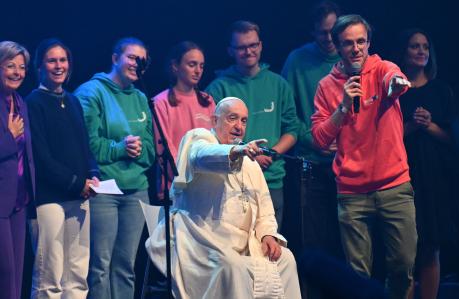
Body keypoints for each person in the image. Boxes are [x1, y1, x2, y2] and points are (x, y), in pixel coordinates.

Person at [146, 97, 301, 299]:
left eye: (243, 121)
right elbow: (203, 156)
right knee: (232, 266)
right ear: (214, 120)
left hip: (244, 245)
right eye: (232, 118)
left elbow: (264, 206)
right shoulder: (198, 139)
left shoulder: (250, 162)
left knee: (286, 258)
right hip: (202, 242)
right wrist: (236, 151)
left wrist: (267, 235)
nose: (238, 126)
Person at [311, 15, 417, 299]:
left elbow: (395, 80)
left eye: (361, 41)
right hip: (352, 193)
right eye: (348, 43)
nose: (356, 48)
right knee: (357, 274)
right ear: (337, 47)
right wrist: (343, 107)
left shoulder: (382, 67)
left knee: (403, 264)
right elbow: (319, 138)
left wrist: (396, 85)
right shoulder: (327, 86)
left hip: (394, 186)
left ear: (368, 42)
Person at [74, 37, 155, 299]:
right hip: (104, 191)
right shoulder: (91, 92)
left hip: (136, 191)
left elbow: (153, 149)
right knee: (100, 266)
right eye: (131, 57)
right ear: (115, 58)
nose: (136, 64)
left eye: (141, 60)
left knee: (126, 267)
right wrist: (121, 148)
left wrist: (140, 151)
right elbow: (86, 145)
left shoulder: (142, 98)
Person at [392, 29, 459, 299]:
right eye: (414, 46)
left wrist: (429, 124)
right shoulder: (395, 93)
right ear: (404, 52)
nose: (421, 51)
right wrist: (411, 125)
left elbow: (455, 140)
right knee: (406, 250)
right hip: (403, 177)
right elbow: (387, 139)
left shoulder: (441, 90)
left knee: (431, 246)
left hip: (434, 178)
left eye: (425, 46)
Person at [206, 20, 300, 228]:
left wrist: (271, 153)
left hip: (271, 181)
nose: (248, 51)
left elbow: (292, 129)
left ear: (261, 46)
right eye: (241, 47)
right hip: (231, 182)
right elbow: (212, 136)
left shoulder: (278, 84)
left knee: (270, 248)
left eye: (253, 45)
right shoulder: (219, 87)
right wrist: (247, 156)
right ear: (230, 51)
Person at [26, 38, 100, 299]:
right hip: (50, 198)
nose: (59, 65)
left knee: (77, 275)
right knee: (50, 274)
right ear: (40, 66)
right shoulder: (33, 103)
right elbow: (41, 157)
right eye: (52, 60)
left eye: (63, 60)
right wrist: (75, 183)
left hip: (79, 196)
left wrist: (93, 175)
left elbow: (84, 146)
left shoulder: (72, 101)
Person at [281, 0, 342, 254]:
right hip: (312, 163)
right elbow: (289, 115)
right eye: (322, 32)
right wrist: (315, 139)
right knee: (314, 243)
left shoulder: (351, 56)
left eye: (332, 30)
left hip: (349, 164)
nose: (328, 37)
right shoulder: (297, 60)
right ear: (313, 31)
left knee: (347, 242)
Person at [152, 41, 215, 198]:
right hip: (177, 188)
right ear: (175, 66)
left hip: (207, 185)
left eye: (201, 66)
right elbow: (164, 148)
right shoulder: (161, 102)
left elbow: (216, 142)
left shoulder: (208, 101)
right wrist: (183, 178)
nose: (198, 71)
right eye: (192, 64)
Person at [0, 41, 35, 299]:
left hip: (19, 199)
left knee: (17, 271)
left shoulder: (21, 101)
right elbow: (11, 144)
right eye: (10, 65)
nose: (17, 72)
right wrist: (9, 138)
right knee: (5, 271)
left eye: (22, 67)